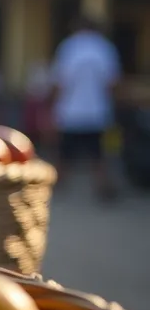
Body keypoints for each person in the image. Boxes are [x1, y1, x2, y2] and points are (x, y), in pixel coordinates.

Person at [49, 15, 122, 200]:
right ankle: (103, 188)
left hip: (70, 111)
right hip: (97, 112)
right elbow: (112, 83)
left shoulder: (69, 46)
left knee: (64, 154)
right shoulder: (105, 48)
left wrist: (52, 108)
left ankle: (52, 189)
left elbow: (60, 81)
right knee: (98, 155)